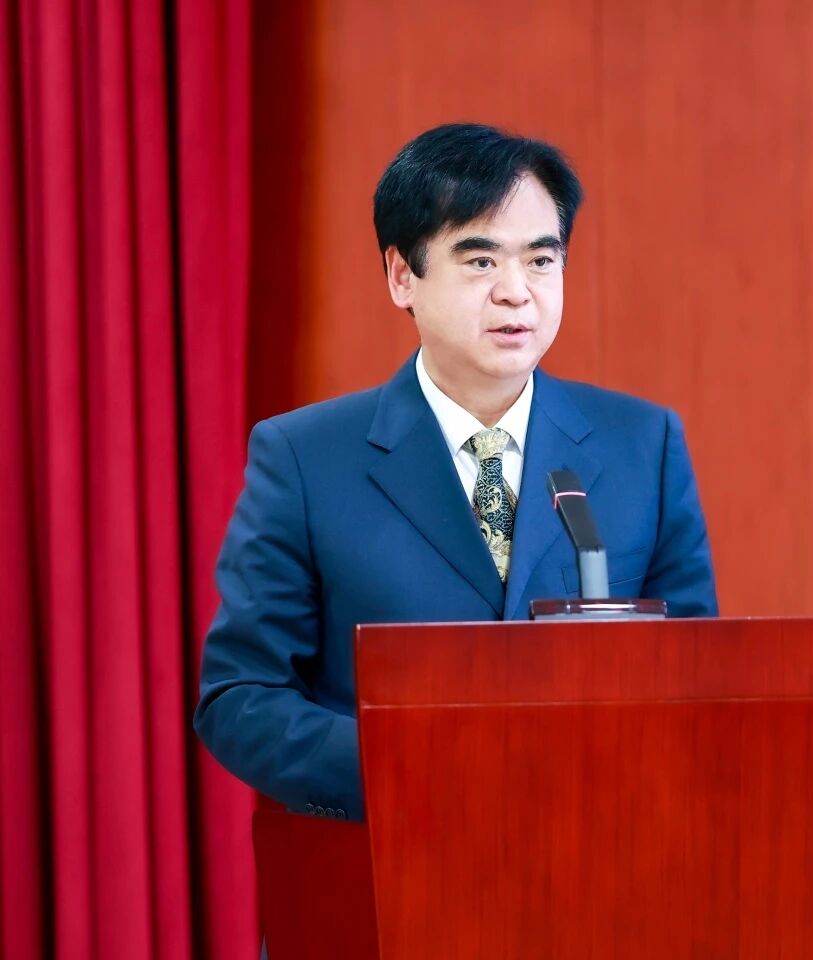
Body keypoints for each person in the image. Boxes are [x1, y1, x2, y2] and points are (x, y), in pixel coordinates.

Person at [193, 123, 718, 822]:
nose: (516, 292)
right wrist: (417, 764)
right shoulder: (304, 457)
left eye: (541, 260)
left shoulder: (643, 446)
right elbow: (241, 696)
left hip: (601, 857)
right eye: (480, 261)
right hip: (388, 858)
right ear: (401, 275)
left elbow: (699, 678)